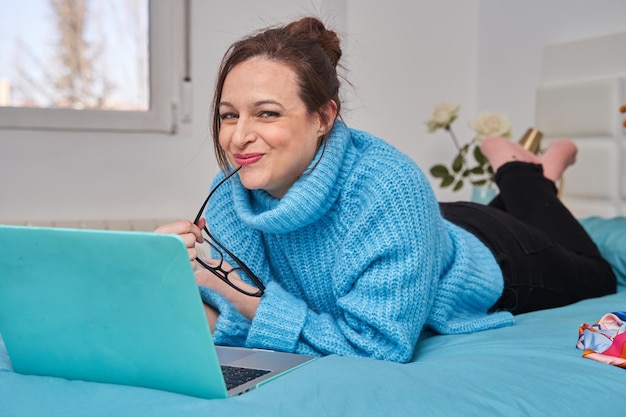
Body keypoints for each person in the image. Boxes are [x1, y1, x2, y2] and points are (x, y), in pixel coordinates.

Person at [155, 16, 616, 363]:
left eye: (268, 113)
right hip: (420, 230)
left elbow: (378, 345)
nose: (238, 137)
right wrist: (165, 279)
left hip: (493, 255)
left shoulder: (389, 188)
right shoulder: (231, 190)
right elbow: (235, 315)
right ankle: (530, 184)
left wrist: (238, 296)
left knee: (597, 273)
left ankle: (523, 172)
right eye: (229, 115)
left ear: (323, 117)